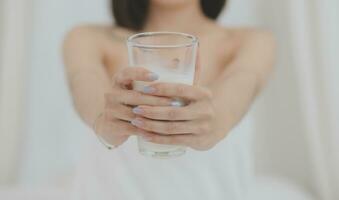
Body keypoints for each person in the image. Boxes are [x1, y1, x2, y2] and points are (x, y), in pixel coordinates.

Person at [63, 0, 276, 199]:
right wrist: (104, 120)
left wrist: (216, 122)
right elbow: (84, 85)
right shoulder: (87, 38)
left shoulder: (251, 42)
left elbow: (240, 86)